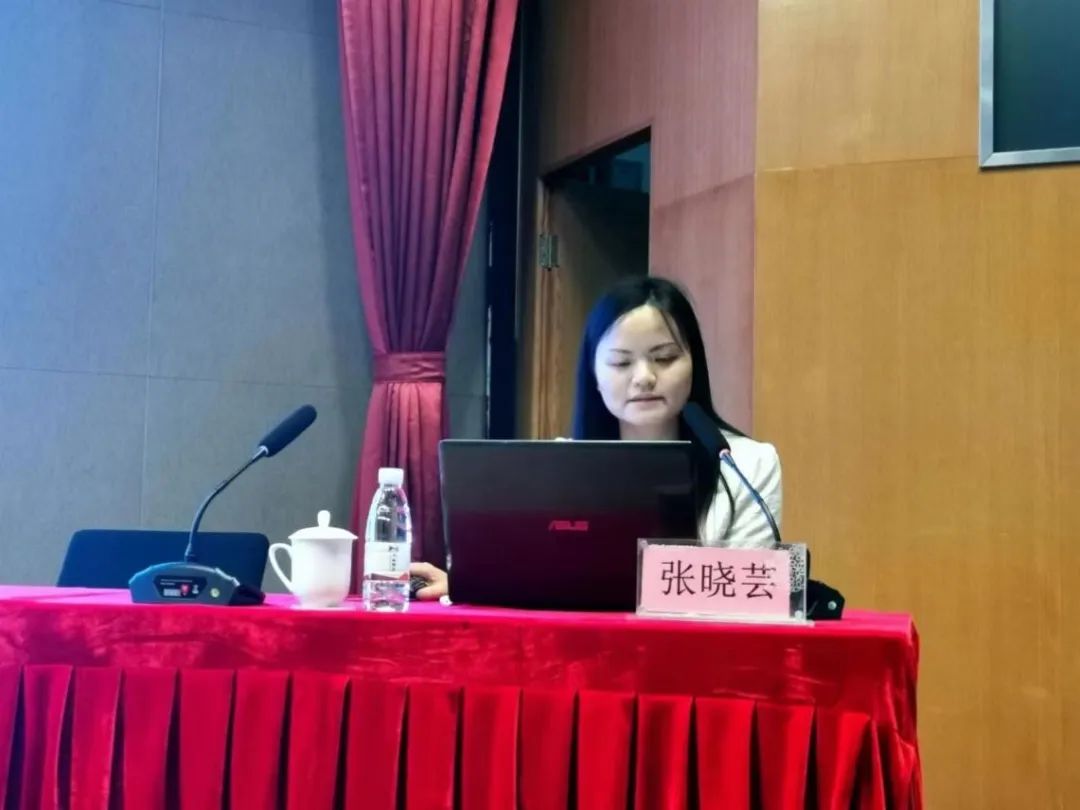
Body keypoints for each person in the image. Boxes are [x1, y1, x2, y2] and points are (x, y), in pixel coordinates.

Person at [410, 275, 782, 600]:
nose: (644, 378)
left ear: (694, 365)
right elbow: (534, 577)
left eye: (665, 358)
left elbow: (748, 593)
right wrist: (473, 582)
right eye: (621, 363)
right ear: (594, 375)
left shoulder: (746, 465)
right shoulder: (556, 469)